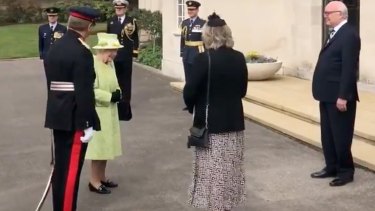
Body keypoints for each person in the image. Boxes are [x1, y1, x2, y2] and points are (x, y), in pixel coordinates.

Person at [183, 13, 248, 211]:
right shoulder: (239, 57)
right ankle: (227, 204)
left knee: (212, 169)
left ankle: (215, 206)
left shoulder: (204, 59)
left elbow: (190, 90)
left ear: (208, 36)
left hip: (210, 124)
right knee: (230, 167)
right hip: (234, 122)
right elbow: (242, 90)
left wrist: (192, 105)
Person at [43, 6, 101, 211]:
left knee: (61, 170)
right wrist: (87, 123)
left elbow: (52, 83)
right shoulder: (82, 52)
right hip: (75, 118)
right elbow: (84, 91)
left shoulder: (54, 47)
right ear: (89, 27)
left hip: (57, 114)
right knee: (70, 173)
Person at [311, 1, 360, 187]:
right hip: (326, 94)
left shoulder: (349, 35)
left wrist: (343, 95)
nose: (325, 17)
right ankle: (331, 166)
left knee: (341, 135)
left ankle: (346, 171)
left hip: (339, 96)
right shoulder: (334, 33)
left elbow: (349, 68)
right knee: (328, 134)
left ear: (340, 13)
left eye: (328, 13)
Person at [85, 33, 123, 194]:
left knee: (107, 146)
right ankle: (93, 181)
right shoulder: (92, 64)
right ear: (103, 50)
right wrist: (109, 97)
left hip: (110, 111)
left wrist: (118, 93)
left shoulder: (110, 64)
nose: (114, 54)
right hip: (99, 112)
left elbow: (115, 83)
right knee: (98, 149)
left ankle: (102, 177)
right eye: (112, 51)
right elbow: (90, 91)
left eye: (115, 51)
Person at [107, 0, 139, 121]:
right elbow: (108, 37)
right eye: (117, 8)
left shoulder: (131, 21)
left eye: (121, 8)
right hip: (114, 56)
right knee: (113, 81)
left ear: (125, 8)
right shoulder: (111, 21)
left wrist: (135, 52)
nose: (118, 10)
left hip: (125, 56)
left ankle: (125, 108)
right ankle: (114, 103)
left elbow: (135, 38)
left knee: (125, 82)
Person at [180, 0, 206, 82]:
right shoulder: (184, 23)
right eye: (189, 9)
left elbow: (206, 40)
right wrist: (182, 52)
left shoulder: (203, 23)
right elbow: (182, 39)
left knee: (197, 77)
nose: (190, 11)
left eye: (192, 9)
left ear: (197, 10)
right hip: (187, 53)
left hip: (198, 53)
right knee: (188, 77)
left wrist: (206, 54)